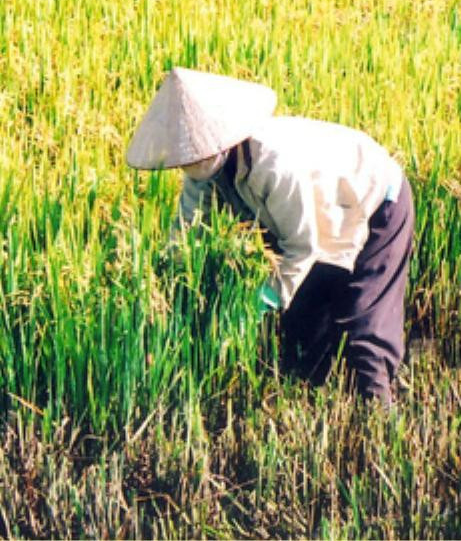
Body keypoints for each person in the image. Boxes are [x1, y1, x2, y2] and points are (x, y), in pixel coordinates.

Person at [126, 67, 413, 405]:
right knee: (303, 323)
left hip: (374, 197)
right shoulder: (201, 175)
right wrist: (170, 296)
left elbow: (302, 248)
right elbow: (186, 237)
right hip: (312, 218)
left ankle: (379, 411)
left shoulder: (273, 164)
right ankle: (312, 400)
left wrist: (259, 303)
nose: (191, 161)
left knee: (364, 318)